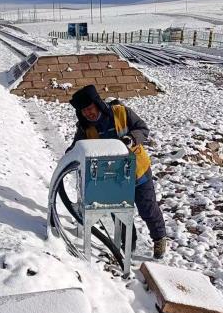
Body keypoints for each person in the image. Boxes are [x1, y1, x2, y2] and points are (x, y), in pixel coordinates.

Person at [67, 85, 167, 259]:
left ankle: (159, 238)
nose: (88, 113)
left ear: (97, 104)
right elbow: (77, 146)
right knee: (119, 212)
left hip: (138, 172)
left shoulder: (121, 112)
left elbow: (143, 129)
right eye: (84, 111)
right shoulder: (85, 127)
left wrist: (132, 138)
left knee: (148, 209)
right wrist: (69, 156)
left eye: (90, 108)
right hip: (112, 177)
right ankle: (128, 240)